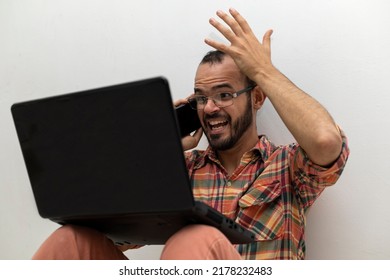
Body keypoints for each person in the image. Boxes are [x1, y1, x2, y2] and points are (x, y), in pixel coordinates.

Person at [32, 8, 349, 260]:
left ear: (256, 97)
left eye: (224, 94)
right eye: (200, 97)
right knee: (71, 240)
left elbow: (324, 140)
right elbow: (113, 234)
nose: (209, 108)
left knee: (198, 234)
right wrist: (157, 146)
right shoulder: (178, 171)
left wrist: (262, 71)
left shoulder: (286, 166)